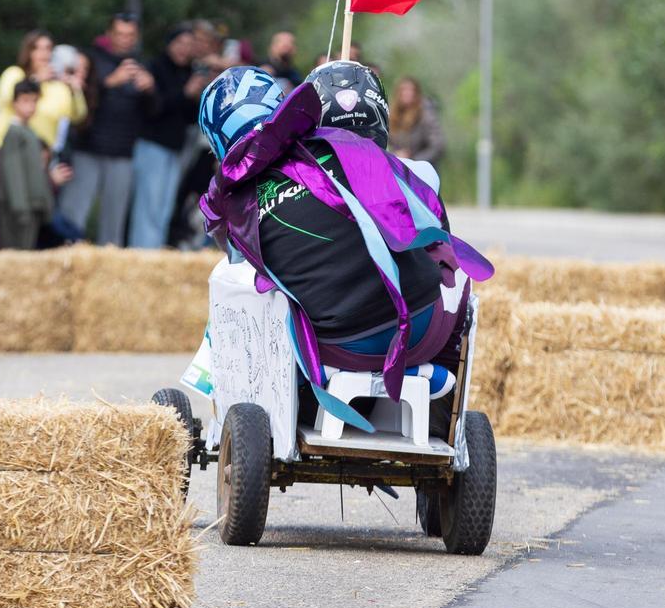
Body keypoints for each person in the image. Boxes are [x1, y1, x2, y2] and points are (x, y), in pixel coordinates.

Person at [197, 64, 493, 436]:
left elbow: (250, 270)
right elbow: (437, 230)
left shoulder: (236, 207)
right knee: (456, 276)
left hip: (338, 348)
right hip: (421, 329)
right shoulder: (360, 151)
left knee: (261, 294)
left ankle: (291, 399)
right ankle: (435, 388)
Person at [57, 13, 155, 245]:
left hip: (123, 152)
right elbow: (81, 100)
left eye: (130, 35)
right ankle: (66, 254)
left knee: (114, 222)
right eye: (120, 34)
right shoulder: (91, 59)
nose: (124, 39)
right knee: (74, 212)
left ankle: (108, 266)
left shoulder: (141, 65)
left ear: (137, 37)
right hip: (88, 148)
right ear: (109, 34)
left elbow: (154, 113)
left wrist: (150, 89)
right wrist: (110, 82)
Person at [130, 24, 206, 248]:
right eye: (180, 43)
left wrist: (195, 96)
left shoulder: (189, 71)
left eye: (189, 45)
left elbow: (191, 118)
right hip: (152, 145)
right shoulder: (155, 66)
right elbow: (155, 107)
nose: (184, 49)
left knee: (164, 206)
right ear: (170, 44)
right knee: (148, 206)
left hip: (176, 147)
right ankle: (142, 253)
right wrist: (185, 93)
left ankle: (155, 253)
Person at [0, 80, 72, 249]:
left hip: (31, 205)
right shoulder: (14, 133)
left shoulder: (29, 132)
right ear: (14, 103)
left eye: (34, 101)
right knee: (16, 252)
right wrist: (19, 206)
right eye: (25, 101)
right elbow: (12, 171)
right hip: (19, 208)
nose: (30, 106)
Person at [0, 30, 88, 151]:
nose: (44, 53)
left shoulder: (59, 87)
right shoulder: (14, 73)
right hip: (6, 149)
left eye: (48, 48)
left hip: (40, 155)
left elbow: (77, 116)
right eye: (37, 48)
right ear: (28, 52)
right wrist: (35, 80)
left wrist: (75, 91)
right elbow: (5, 98)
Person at [388, 76, 446, 165]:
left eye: (411, 90)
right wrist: (394, 155)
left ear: (416, 93)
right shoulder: (391, 114)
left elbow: (437, 146)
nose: (407, 93)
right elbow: (386, 143)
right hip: (396, 166)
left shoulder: (426, 114)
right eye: (404, 90)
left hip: (421, 168)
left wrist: (413, 160)